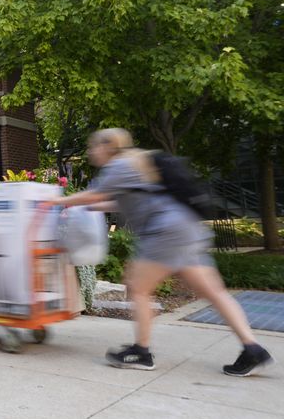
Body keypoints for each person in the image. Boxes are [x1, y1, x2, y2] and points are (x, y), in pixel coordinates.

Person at [45, 128, 274, 377]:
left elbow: (95, 194)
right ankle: (252, 348)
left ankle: (141, 353)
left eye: (93, 147)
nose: (90, 152)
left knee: (138, 288)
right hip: (185, 228)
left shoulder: (118, 166)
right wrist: (90, 208)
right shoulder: (137, 162)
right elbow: (116, 201)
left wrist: (57, 201)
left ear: (108, 147)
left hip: (165, 232)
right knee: (215, 292)